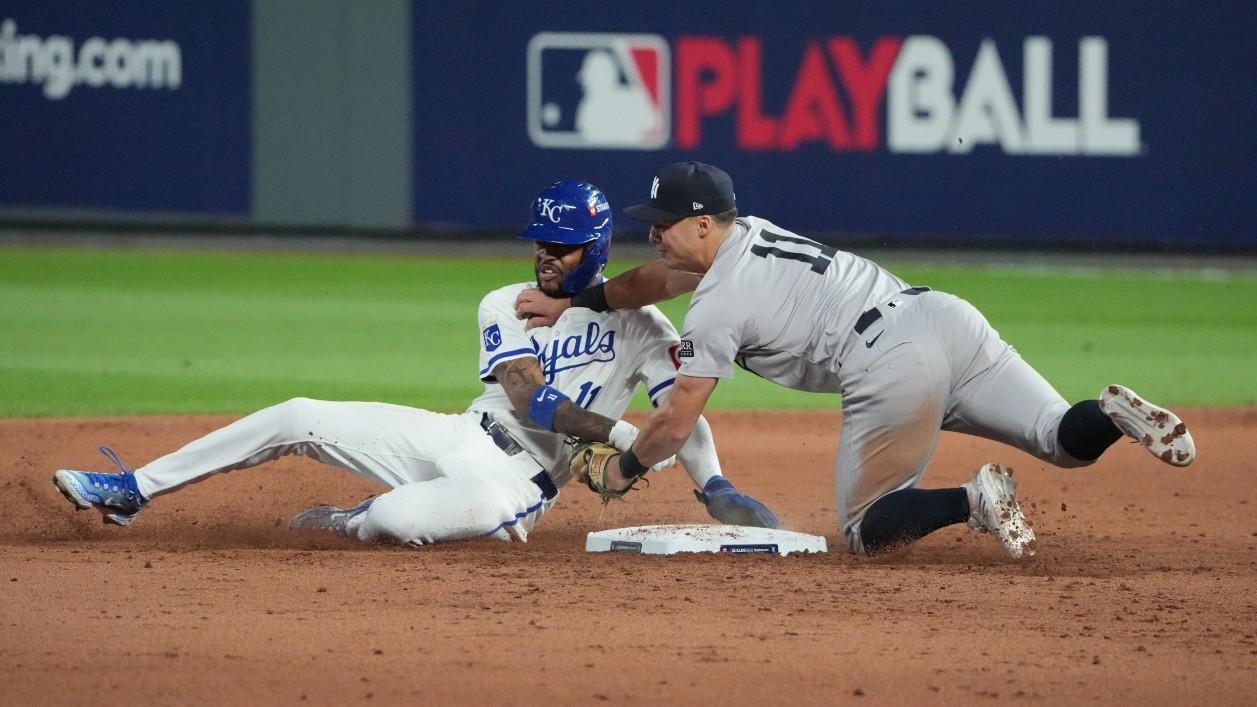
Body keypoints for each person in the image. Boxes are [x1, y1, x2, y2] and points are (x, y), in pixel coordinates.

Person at [515, 162, 1196, 559]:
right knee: (1061, 436)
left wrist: (623, 468)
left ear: (702, 224)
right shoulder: (747, 235)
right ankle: (1109, 412)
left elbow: (672, 422)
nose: (652, 232)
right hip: (945, 318)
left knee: (865, 527)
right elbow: (654, 281)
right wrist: (581, 299)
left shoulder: (719, 301)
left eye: (663, 222)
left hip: (889, 360)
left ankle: (973, 498)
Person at [52, 180, 778, 547]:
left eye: (557, 247)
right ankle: (132, 487)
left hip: (511, 484)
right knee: (299, 413)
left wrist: (712, 481)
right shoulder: (508, 300)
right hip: (455, 434)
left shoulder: (644, 328)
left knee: (397, 523)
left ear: (592, 249)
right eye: (537, 242)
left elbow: (680, 411)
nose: (541, 255)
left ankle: (354, 519)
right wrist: (619, 437)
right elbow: (525, 399)